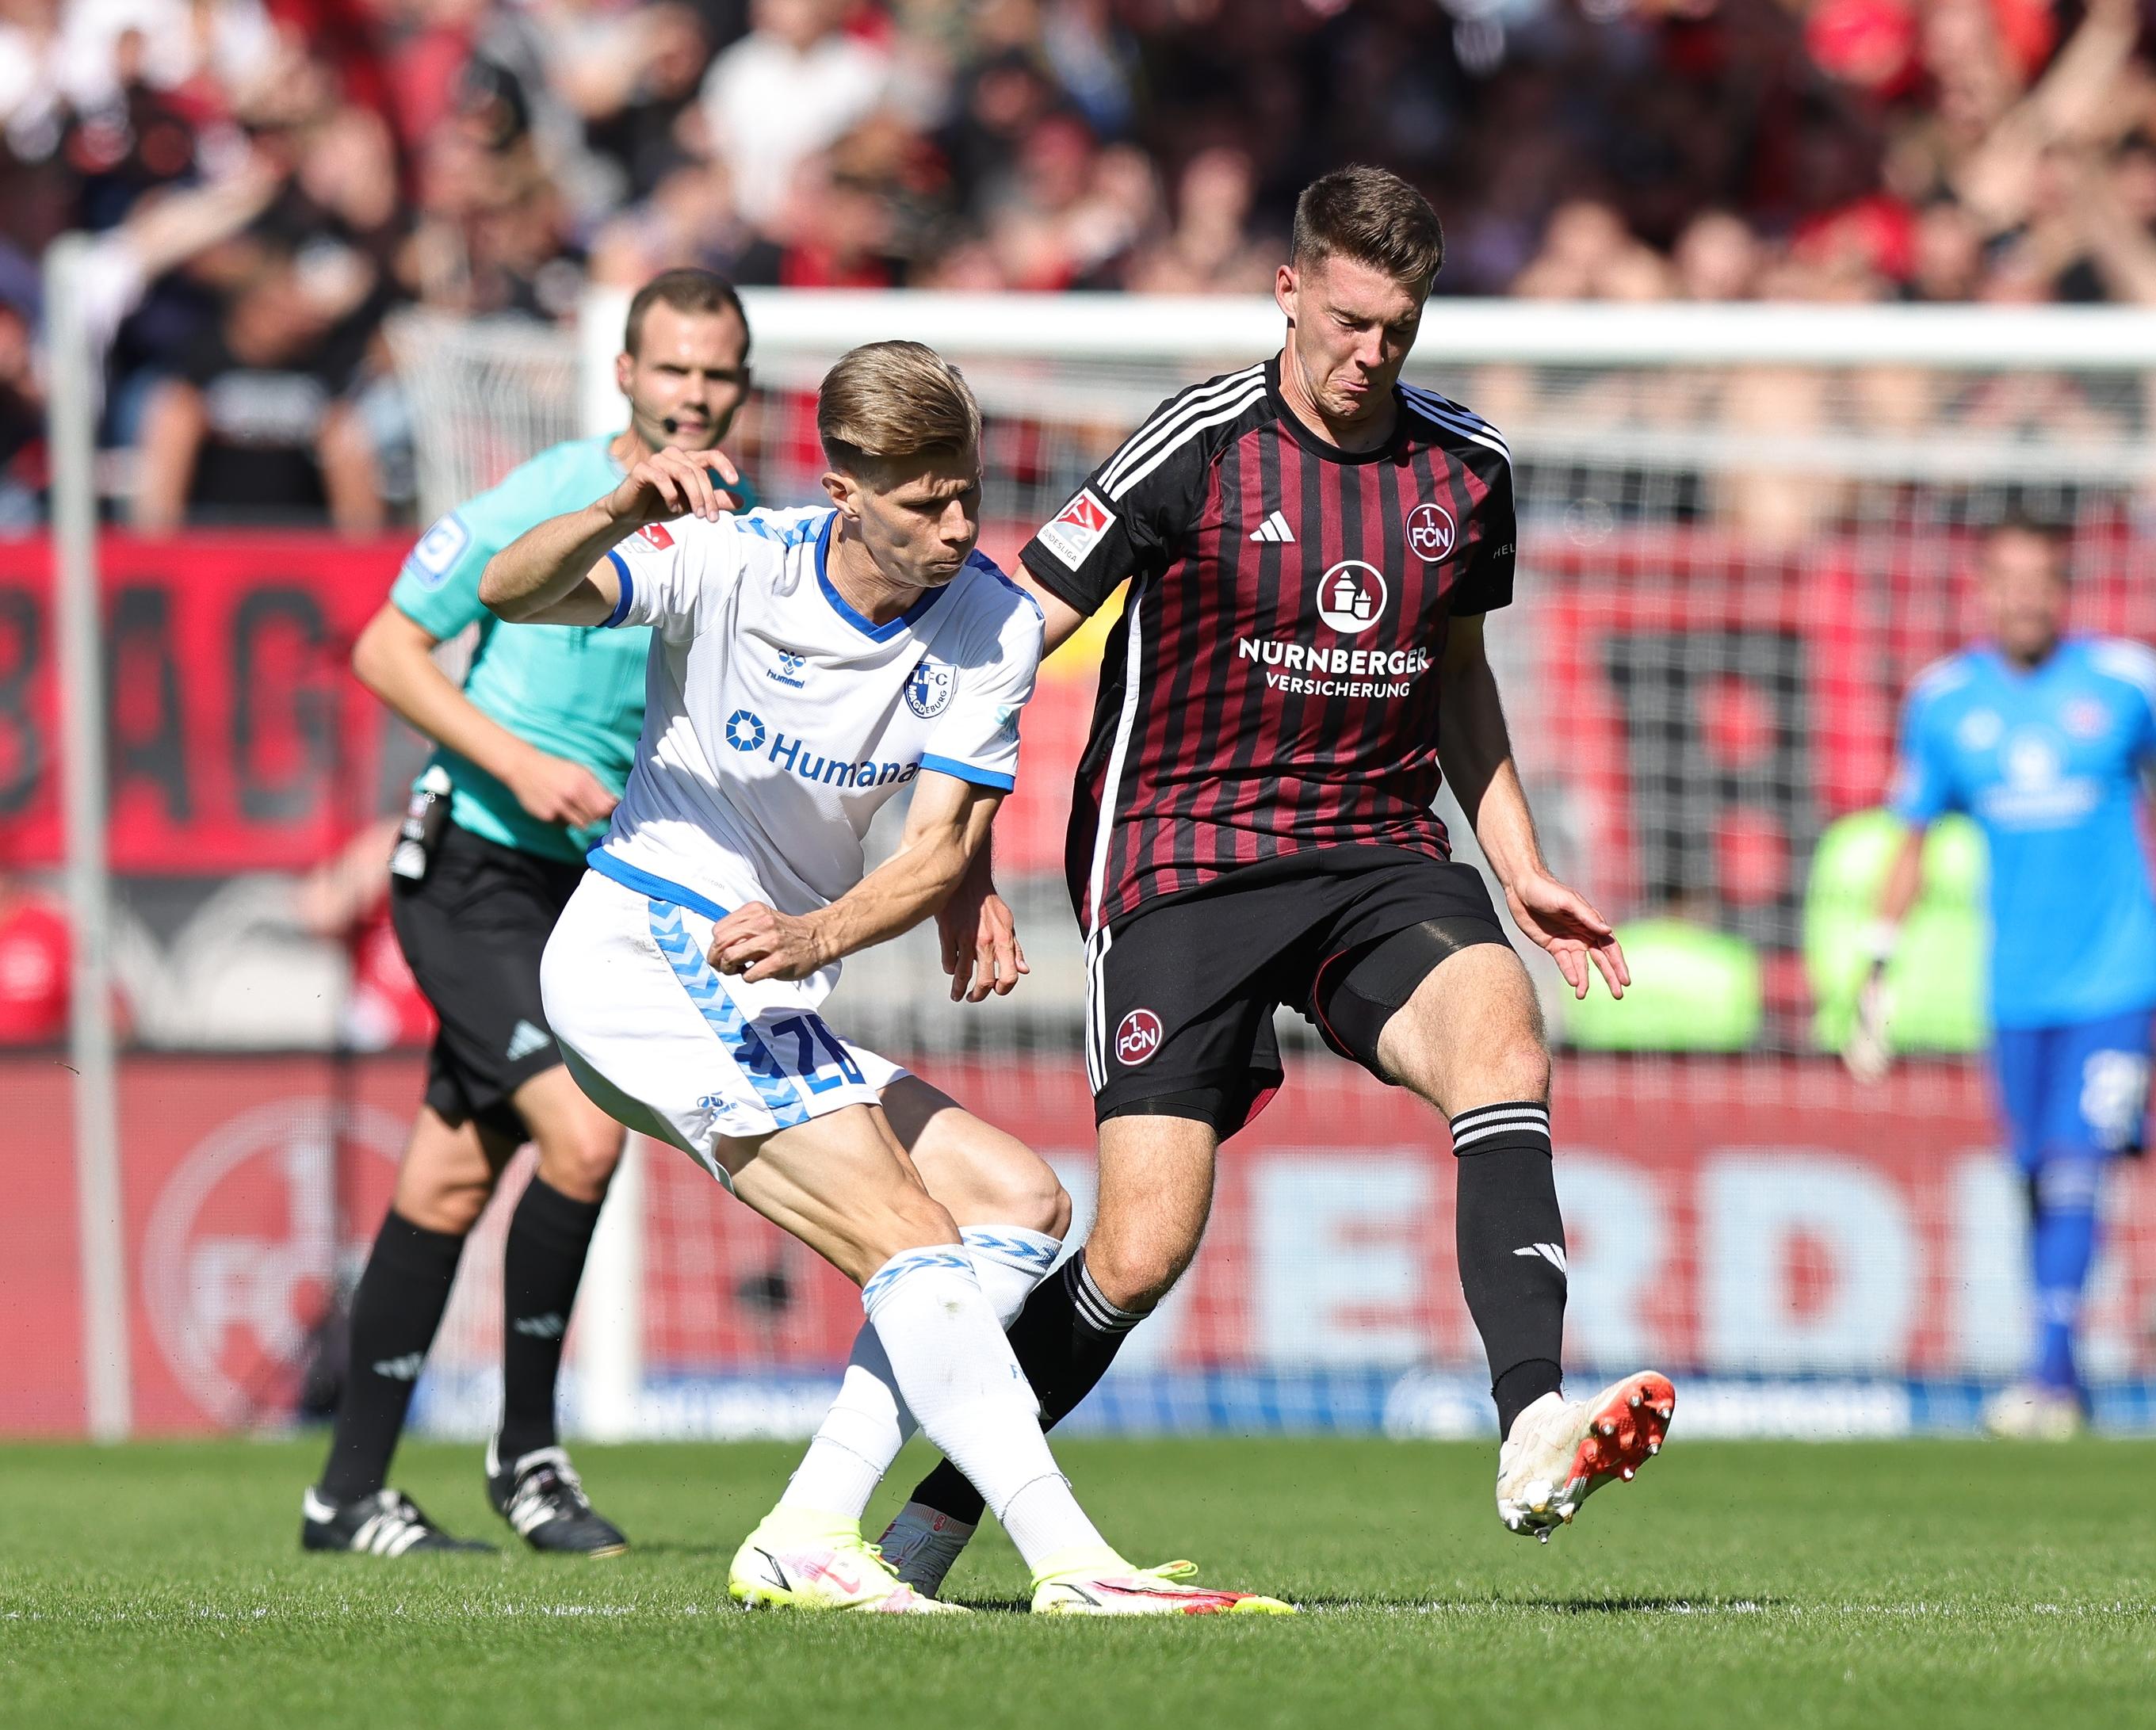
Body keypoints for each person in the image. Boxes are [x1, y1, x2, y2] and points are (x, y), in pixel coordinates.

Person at [871, 165, 1676, 1602]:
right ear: (1289, 290)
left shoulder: (1467, 470)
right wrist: (959, 853)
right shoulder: (1194, 446)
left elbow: (1462, 677)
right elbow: (1008, 635)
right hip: (1180, 858)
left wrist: (1522, 865)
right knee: (1139, 1251)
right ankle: (929, 1524)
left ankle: (1532, 1424)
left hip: (1375, 849)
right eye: (1350, 322)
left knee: (1502, 1040)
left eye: (1400, 330)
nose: (1372, 355)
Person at [483, 339, 1286, 1617]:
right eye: (925, 501)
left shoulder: (993, 621)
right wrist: (617, 508)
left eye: (967, 491)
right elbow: (511, 592)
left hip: (765, 975)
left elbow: (941, 848)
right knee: (909, 1236)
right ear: (843, 489)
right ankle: (1075, 1563)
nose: (959, 525)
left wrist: (823, 936)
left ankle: (807, 1525)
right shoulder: (732, 561)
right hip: (647, 946)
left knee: (1017, 1203)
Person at [299, 269, 757, 1557]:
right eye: (672, 369)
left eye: (715, 373)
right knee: (585, 1136)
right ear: (625, 375)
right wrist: (520, 764)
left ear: (742, 388)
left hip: (586, 890)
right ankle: (529, 1459)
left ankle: (345, 1497)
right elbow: (386, 647)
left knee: (448, 1178)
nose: (693, 395)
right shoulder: (552, 494)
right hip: (474, 867)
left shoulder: (742, 526)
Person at [1844, 509, 2156, 1439]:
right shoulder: (1944, 702)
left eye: (2040, 580)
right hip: (2014, 986)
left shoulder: (2127, 682)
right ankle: (2059, 1370)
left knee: (2075, 1163)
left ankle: (2049, 1379)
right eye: (2006, 581)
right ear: (1980, 589)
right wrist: (1877, 966)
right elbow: (1910, 838)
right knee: (2032, 1173)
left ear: (2065, 589)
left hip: (2118, 975)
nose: (2023, 599)